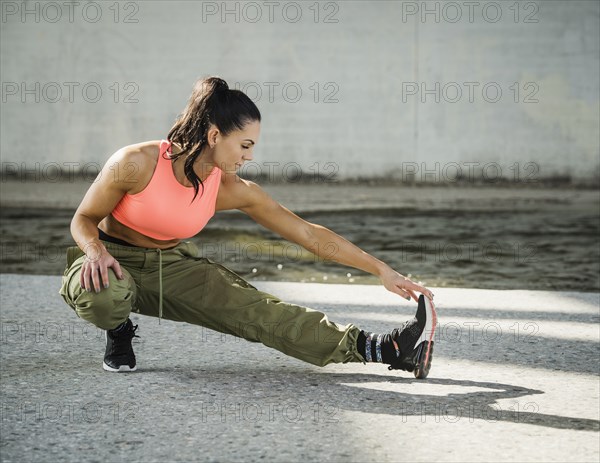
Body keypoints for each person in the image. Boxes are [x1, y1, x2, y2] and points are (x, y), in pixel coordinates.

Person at [58, 76, 437, 379]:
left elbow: (307, 234)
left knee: (255, 309)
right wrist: (95, 251)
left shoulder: (230, 189)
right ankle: (119, 328)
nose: (250, 156)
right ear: (214, 136)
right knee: (105, 296)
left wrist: (382, 270)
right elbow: (83, 219)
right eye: (245, 145)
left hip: (168, 266)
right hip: (107, 258)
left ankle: (381, 348)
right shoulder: (136, 162)